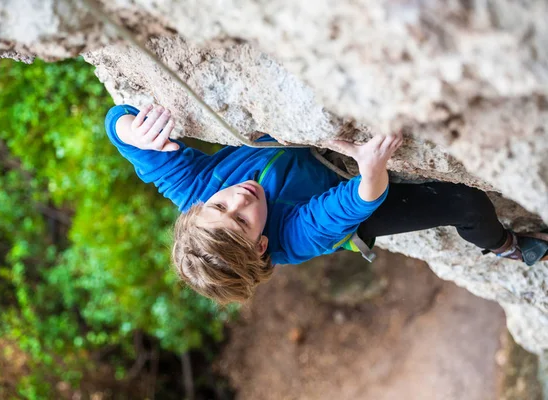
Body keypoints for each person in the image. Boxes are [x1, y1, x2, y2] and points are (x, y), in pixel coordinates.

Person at [105, 104, 548, 304]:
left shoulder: (194, 192)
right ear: (260, 246)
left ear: (199, 209)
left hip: (307, 155)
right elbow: (351, 202)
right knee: (464, 203)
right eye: (242, 221)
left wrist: (130, 130)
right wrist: (371, 167)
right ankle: (502, 244)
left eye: (219, 207)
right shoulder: (292, 239)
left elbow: (126, 136)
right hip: (355, 214)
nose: (237, 200)